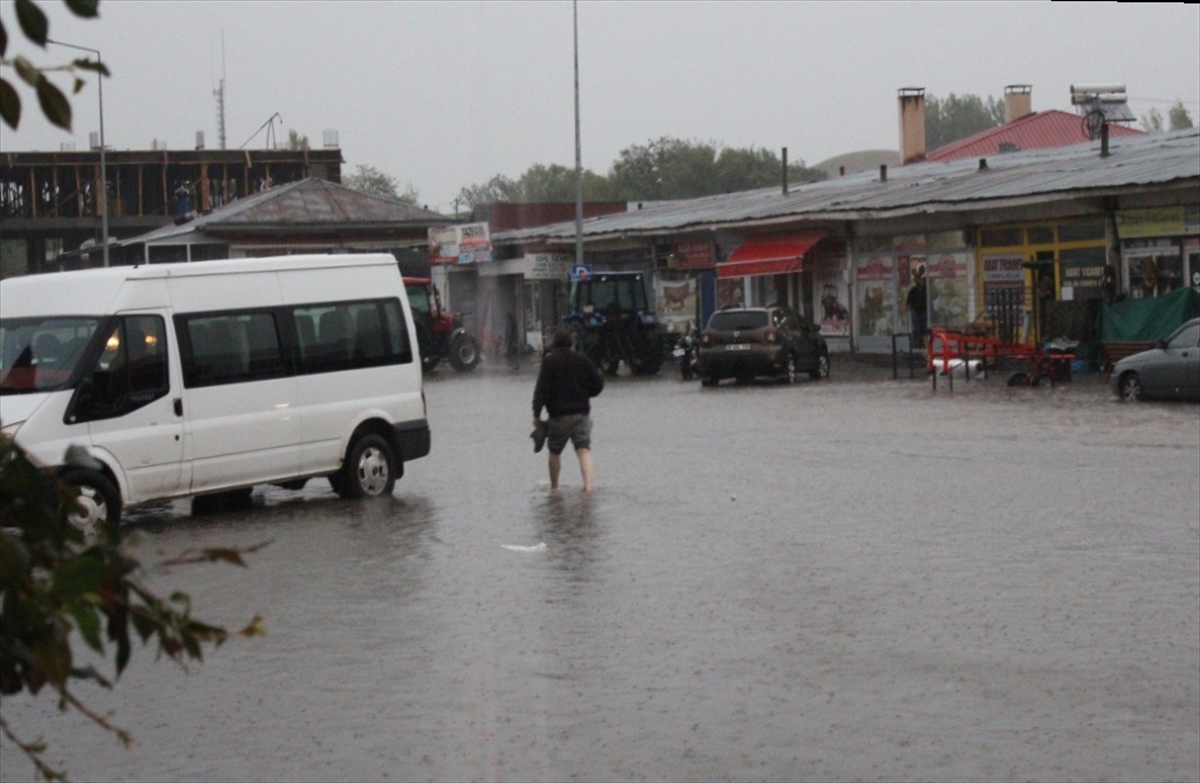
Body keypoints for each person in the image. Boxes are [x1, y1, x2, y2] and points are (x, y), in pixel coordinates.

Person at [532, 328, 604, 492]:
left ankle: (555, 488)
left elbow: (540, 391)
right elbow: (598, 385)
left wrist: (536, 414)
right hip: (581, 415)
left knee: (554, 453)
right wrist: (587, 393)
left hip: (558, 417)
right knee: (583, 450)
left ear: (554, 345)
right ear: (572, 344)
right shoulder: (583, 360)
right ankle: (588, 487)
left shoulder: (549, 362)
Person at [906, 267, 928, 347]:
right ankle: (919, 343)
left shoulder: (926, 289)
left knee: (925, 330)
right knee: (917, 330)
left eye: (919, 279)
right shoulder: (913, 291)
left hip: (925, 313)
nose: (917, 281)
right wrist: (913, 312)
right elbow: (908, 303)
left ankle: (925, 344)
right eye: (916, 279)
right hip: (916, 314)